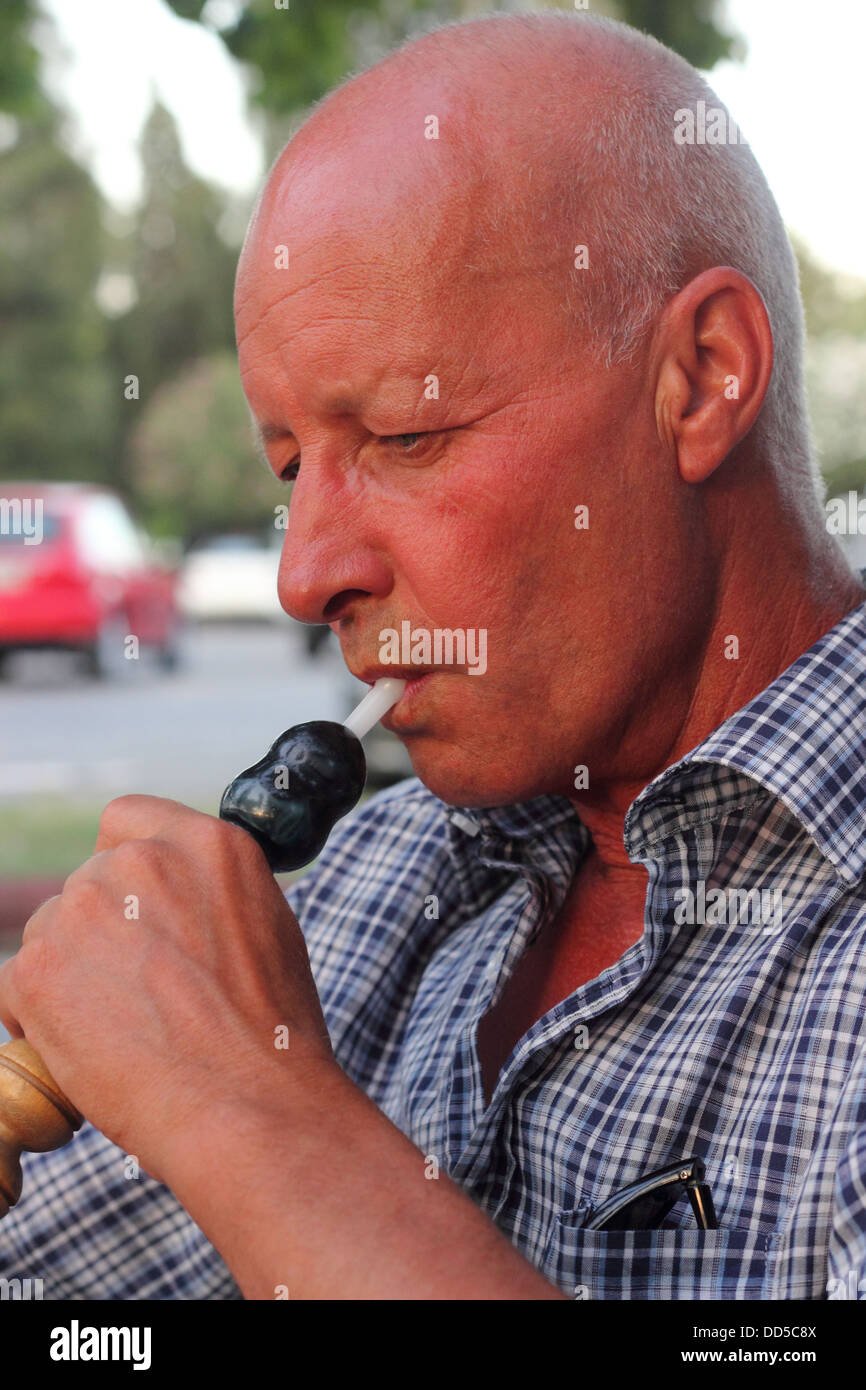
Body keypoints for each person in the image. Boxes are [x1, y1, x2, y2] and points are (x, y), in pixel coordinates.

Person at [1, 11, 864, 1301]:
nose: (305, 575)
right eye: (293, 467)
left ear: (701, 377)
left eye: (404, 436)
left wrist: (253, 1113)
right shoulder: (367, 879)